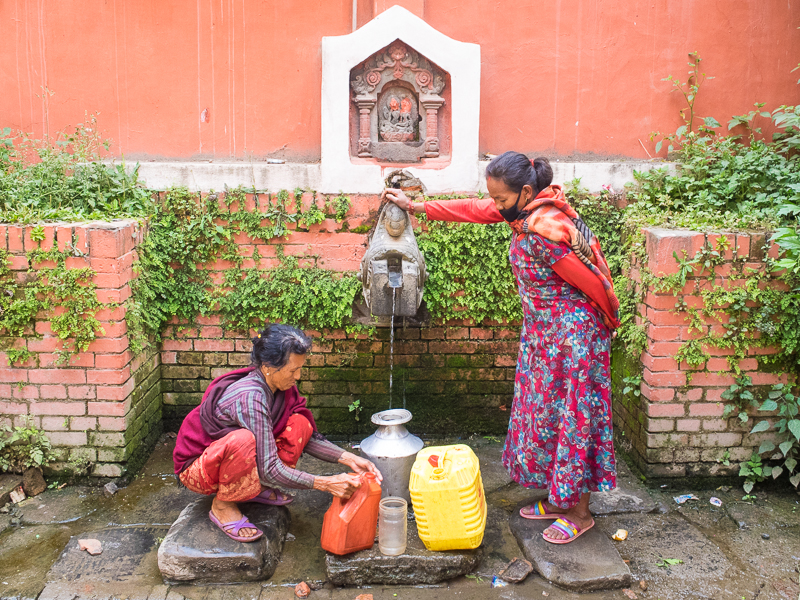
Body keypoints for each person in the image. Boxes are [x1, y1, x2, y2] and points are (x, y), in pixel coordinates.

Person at [382, 152, 619, 544]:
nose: (496, 207)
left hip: (574, 341)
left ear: (525, 192)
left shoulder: (546, 230)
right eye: (495, 198)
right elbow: (476, 209)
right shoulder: (526, 213)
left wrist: (608, 322)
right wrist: (416, 206)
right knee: (545, 416)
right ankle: (560, 499)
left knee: (573, 421)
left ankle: (579, 512)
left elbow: (593, 284)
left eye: (502, 200)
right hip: (544, 337)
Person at [173, 324, 382, 543]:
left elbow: (304, 437)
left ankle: (252, 489)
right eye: (293, 370)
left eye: (300, 368)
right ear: (268, 367)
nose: (298, 376)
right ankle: (222, 506)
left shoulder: (279, 385)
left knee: (299, 423)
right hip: (198, 468)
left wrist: (350, 458)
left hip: (232, 457)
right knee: (243, 440)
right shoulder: (251, 398)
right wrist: (325, 483)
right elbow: (270, 468)